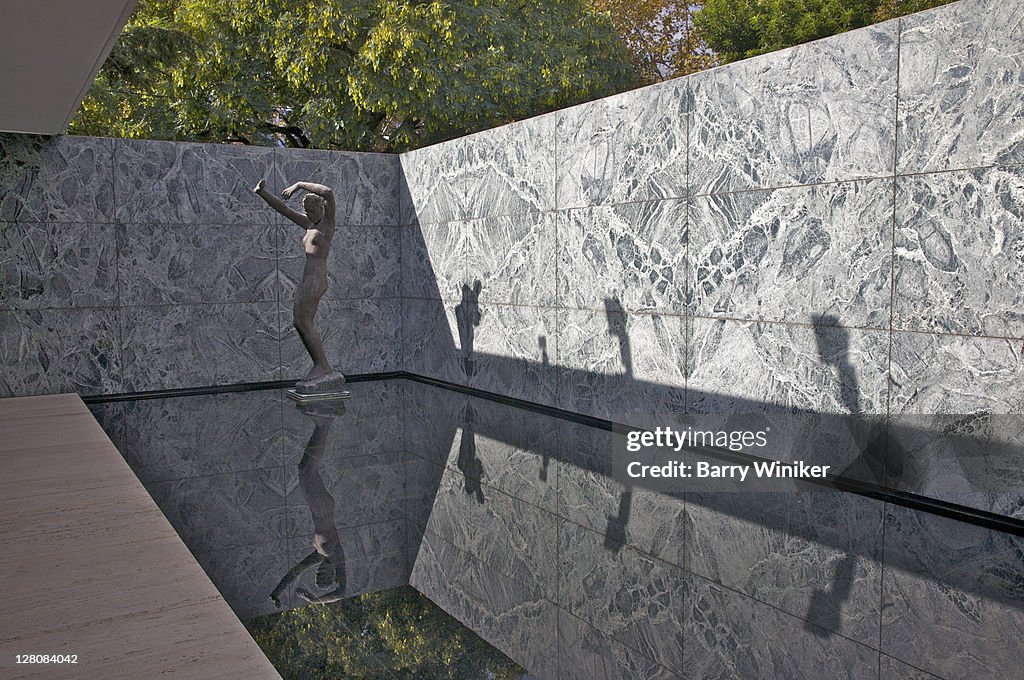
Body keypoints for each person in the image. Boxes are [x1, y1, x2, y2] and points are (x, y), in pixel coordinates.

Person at [254, 179, 337, 384]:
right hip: (307, 278)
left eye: (311, 209)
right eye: (306, 211)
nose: (309, 214)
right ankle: (320, 365)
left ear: (320, 208)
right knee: (298, 321)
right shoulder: (308, 225)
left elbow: (328, 191)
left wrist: (299, 184)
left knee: (303, 321)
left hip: (316, 278)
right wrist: (262, 193)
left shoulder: (327, 224)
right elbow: (283, 209)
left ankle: (323, 366)